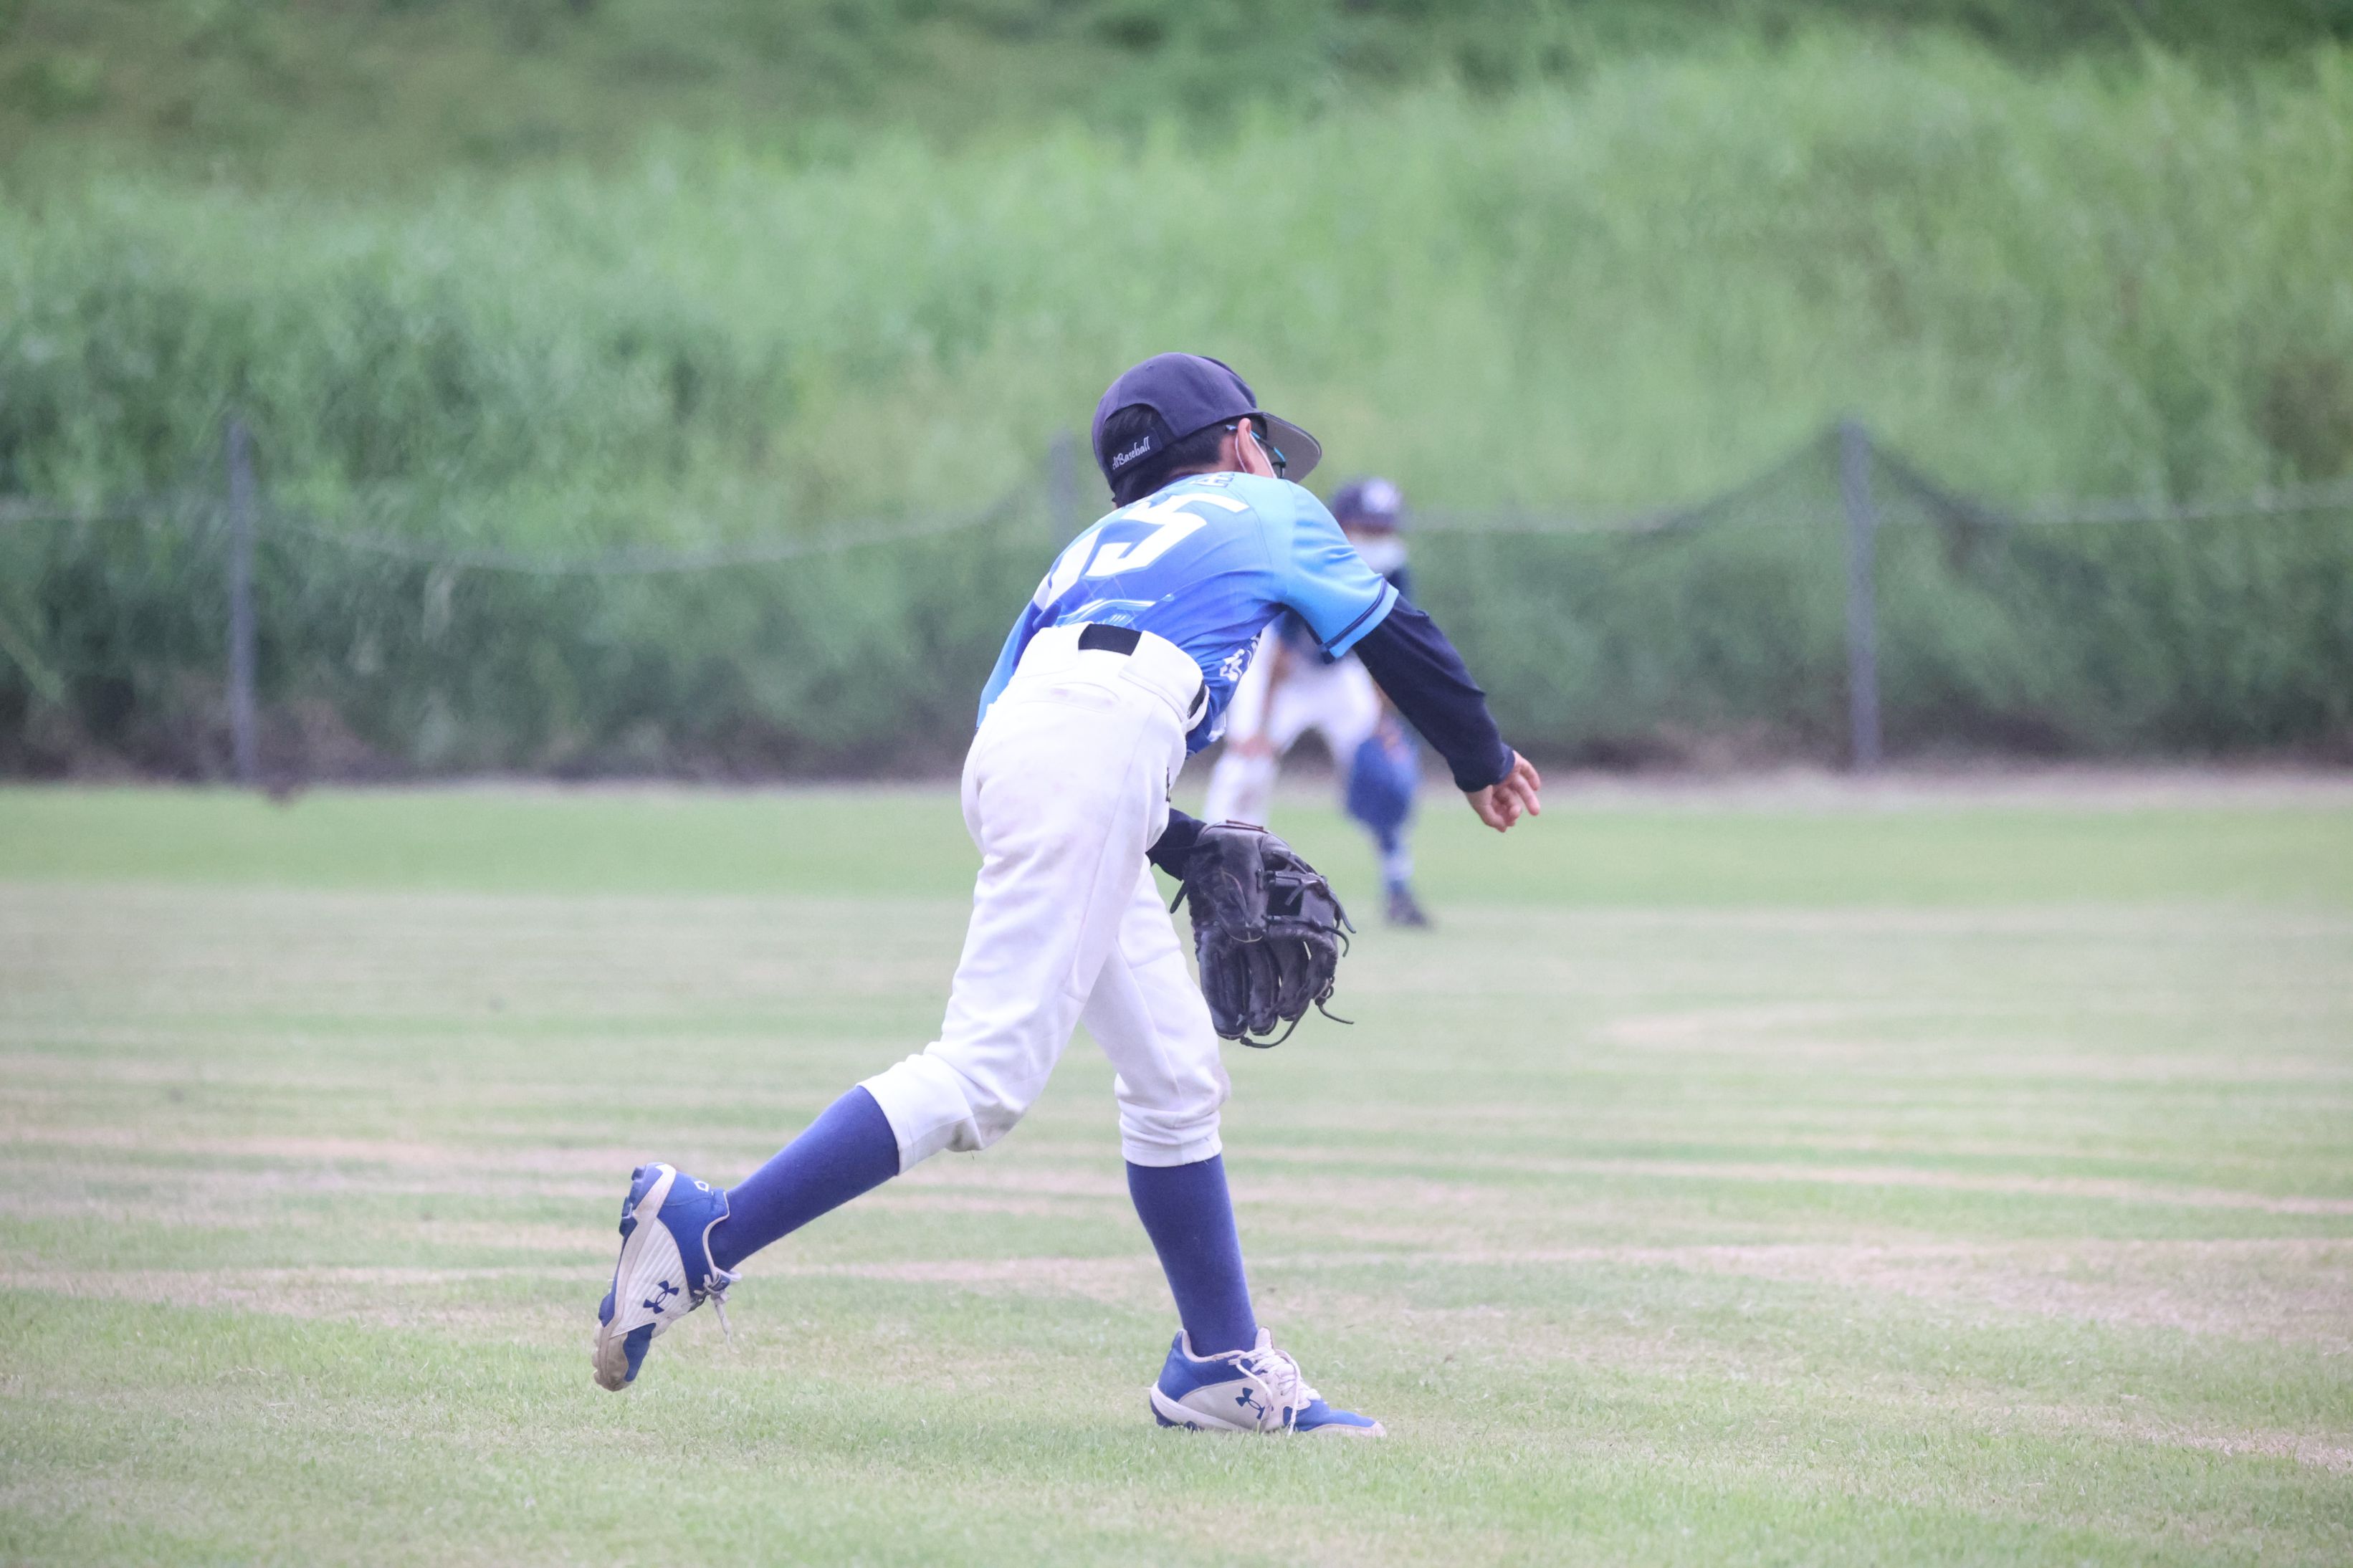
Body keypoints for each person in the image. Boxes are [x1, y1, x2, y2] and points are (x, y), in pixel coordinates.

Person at [591, 353, 1542, 1436]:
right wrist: (1479, 757)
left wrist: (1174, 838)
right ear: (1239, 442)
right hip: (1102, 746)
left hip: (1027, 748)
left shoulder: (1089, 549)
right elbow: (1390, 630)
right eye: (1267, 448)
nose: (1276, 467)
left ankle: (1218, 1364)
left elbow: (1027, 716)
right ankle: (707, 1231)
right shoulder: (1265, 504)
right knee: (984, 1074)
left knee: (1176, 1078)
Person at [1202, 477, 1434, 926]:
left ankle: (1398, 887)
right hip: (1280, 671)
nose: (1379, 538)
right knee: (1246, 769)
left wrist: (1381, 721)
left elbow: (1393, 651)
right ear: (1341, 525)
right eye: (1368, 528)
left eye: (1385, 529)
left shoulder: (1392, 568)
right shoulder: (1310, 560)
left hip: (1338, 673)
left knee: (1384, 771)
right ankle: (1219, 881)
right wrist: (1259, 728)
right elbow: (1282, 653)